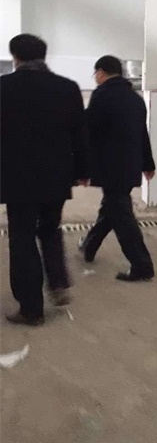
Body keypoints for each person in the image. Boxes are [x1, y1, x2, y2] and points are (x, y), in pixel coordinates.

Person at [0, 34, 89, 326]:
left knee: (22, 238)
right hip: (56, 175)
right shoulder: (67, 87)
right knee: (50, 228)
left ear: (15, 57)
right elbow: (80, 134)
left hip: (17, 177)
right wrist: (83, 170)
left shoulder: (4, 87)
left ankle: (31, 308)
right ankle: (58, 282)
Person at [79, 55, 156, 281]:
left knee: (122, 216)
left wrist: (82, 168)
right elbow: (142, 134)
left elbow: (88, 132)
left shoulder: (102, 95)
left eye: (95, 74)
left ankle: (142, 265)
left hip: (109, 166)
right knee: (111, 208)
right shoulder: (136, 99)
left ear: (100, 72)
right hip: (130, 165)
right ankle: (89, 245)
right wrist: (148, 163)